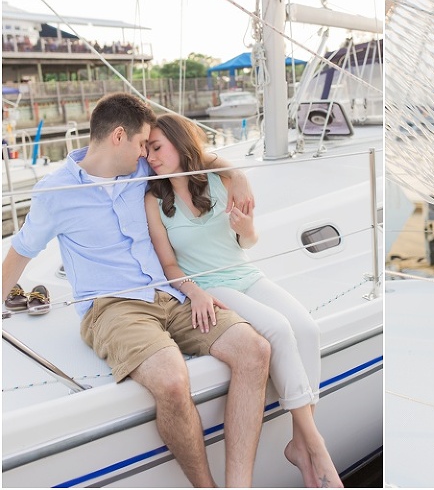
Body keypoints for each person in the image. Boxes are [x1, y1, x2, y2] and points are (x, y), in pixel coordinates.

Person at [1, 92, 270, 488]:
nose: (148, 152)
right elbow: (21, 252)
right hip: (113, 308)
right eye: (143, 142)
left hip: (169, 294)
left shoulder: (139, 168)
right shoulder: (54, 192)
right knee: (173, 381)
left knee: (255, 350)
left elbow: (192, 156)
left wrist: (239, 174)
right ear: (119, 137)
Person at [144, 113, 343, 488]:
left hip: (245, 273)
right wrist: (195, 292)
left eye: (157, 147)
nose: (151, 157)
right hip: (209, 287)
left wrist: (247, 229)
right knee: (279, 330)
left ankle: (300, 443)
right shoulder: (154, 202)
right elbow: (168, 264)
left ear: (179, 143)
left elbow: (248, 244)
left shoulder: (221, 181)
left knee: (306, 329)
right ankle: (315, 444)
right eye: (148, 150)